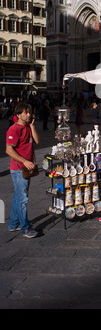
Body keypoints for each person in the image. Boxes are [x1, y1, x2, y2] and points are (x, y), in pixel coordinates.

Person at [6, 102, 39, 238]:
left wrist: (32, 125)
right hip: (19, 169)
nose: (28, 114)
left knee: (18, 196)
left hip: (26, 168)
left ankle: (13, 223)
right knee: (22, 199)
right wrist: (25, 161)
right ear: (18, 115)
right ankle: (25, 228)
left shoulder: (27, 127)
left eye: (29, 112)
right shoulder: (14, 129)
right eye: (26, 112)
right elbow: (8, 150)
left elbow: (36, 141)